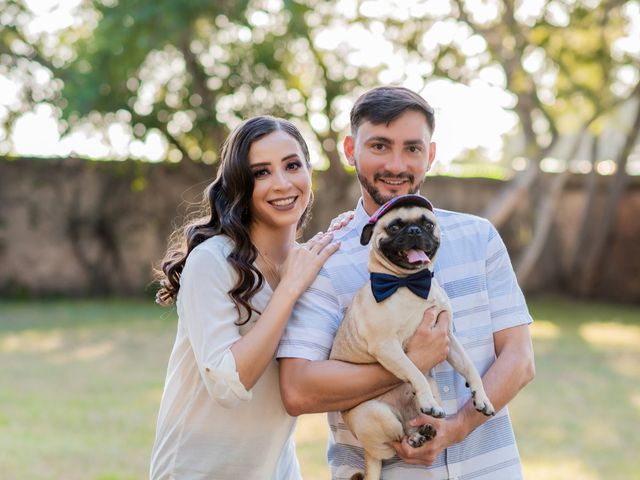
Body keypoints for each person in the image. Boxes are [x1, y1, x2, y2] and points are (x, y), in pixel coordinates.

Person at [277, 86, 535, 479]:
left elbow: (519, 359)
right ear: (350, 150)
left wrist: (459, 426)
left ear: (430, 155)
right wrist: (410, 362)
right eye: (379, 146)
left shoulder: (479, 238)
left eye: (412, 149)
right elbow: (299, 390)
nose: (396, 164)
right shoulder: (321, 261)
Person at [149, 115, 341, 479]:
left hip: (275, 469)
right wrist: (288, 290)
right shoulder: (211, 262)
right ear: (240, 183)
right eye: (261, 172)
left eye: (292, 165)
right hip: (197, 471)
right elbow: (228, 384)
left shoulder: (309, 267)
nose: (282, 183)